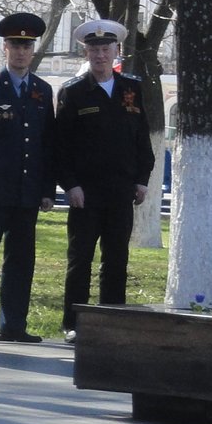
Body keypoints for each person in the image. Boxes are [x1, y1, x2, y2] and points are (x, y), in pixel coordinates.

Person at [54, 18, 155, 342]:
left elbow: (142, 140)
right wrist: (70, 185)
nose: (100, 55)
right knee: (80, 260)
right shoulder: (73, 92)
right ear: (86, 52)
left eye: (105, 49)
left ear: (116, 51)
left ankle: (112, 324)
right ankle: (74, 323)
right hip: (86, 194)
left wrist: (142, 180)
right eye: (94, 49)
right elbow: (61, 146)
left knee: (116, 260)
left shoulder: (131, 89)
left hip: (121, 192)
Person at [0, 13, 57, 344]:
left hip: (26, 192)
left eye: (27, 46)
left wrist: (47, 190)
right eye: (16, 45)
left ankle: (13, 323)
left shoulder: (42, 90)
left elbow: (47, 145)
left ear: (33, 51)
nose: (21, 52)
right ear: (5, 48)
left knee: (21, 261)